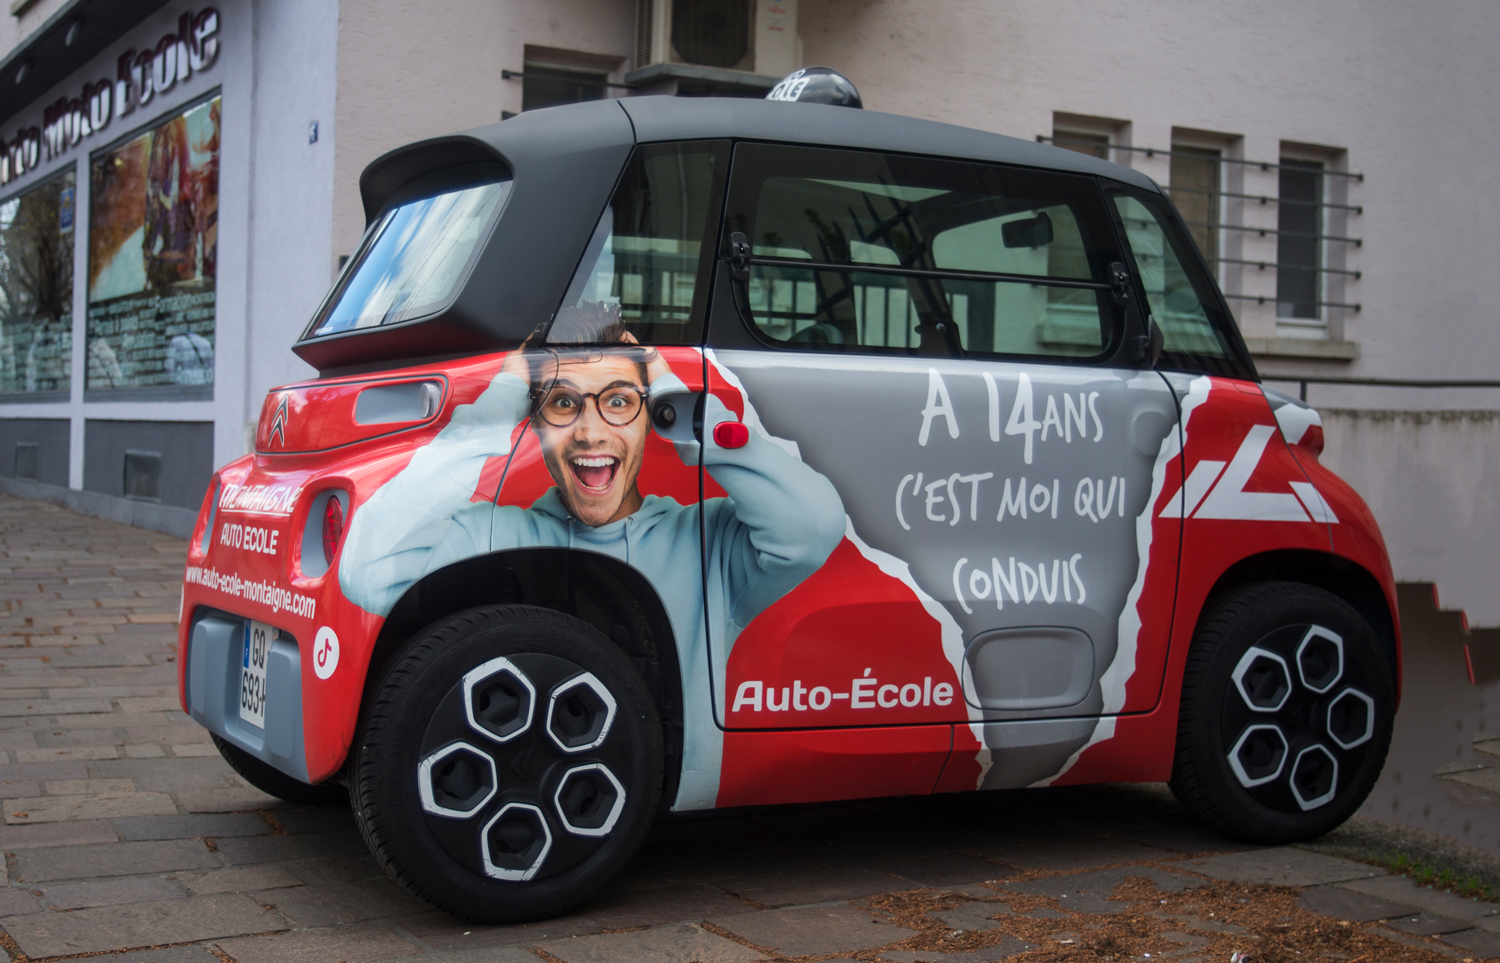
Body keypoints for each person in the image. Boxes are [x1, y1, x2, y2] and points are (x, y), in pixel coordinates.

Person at [339, 314, 846, 809]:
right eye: (563, 403)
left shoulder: (705, 543)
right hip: (534, 817)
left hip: (674, 832)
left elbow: (812, 527)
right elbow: (368, 570)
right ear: (532, 423)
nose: (589, 432)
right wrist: (493, 409)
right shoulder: (490, 533)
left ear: (650, 419)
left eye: (619, 402)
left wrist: (679, 402)